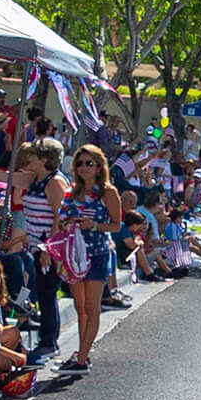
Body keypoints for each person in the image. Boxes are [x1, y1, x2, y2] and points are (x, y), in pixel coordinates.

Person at [58, 144, 120, 372]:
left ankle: (82, 358)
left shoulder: (108, 192)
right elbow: (61, 217)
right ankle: (81, 351)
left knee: (93, 306)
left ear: (98, 166)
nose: (83, 168)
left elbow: (116, 225)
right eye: (80, 163)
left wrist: (94, 225)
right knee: (80, 306)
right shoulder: (73, 192)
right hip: (74, 255)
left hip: (97, 253)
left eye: (89, 163)